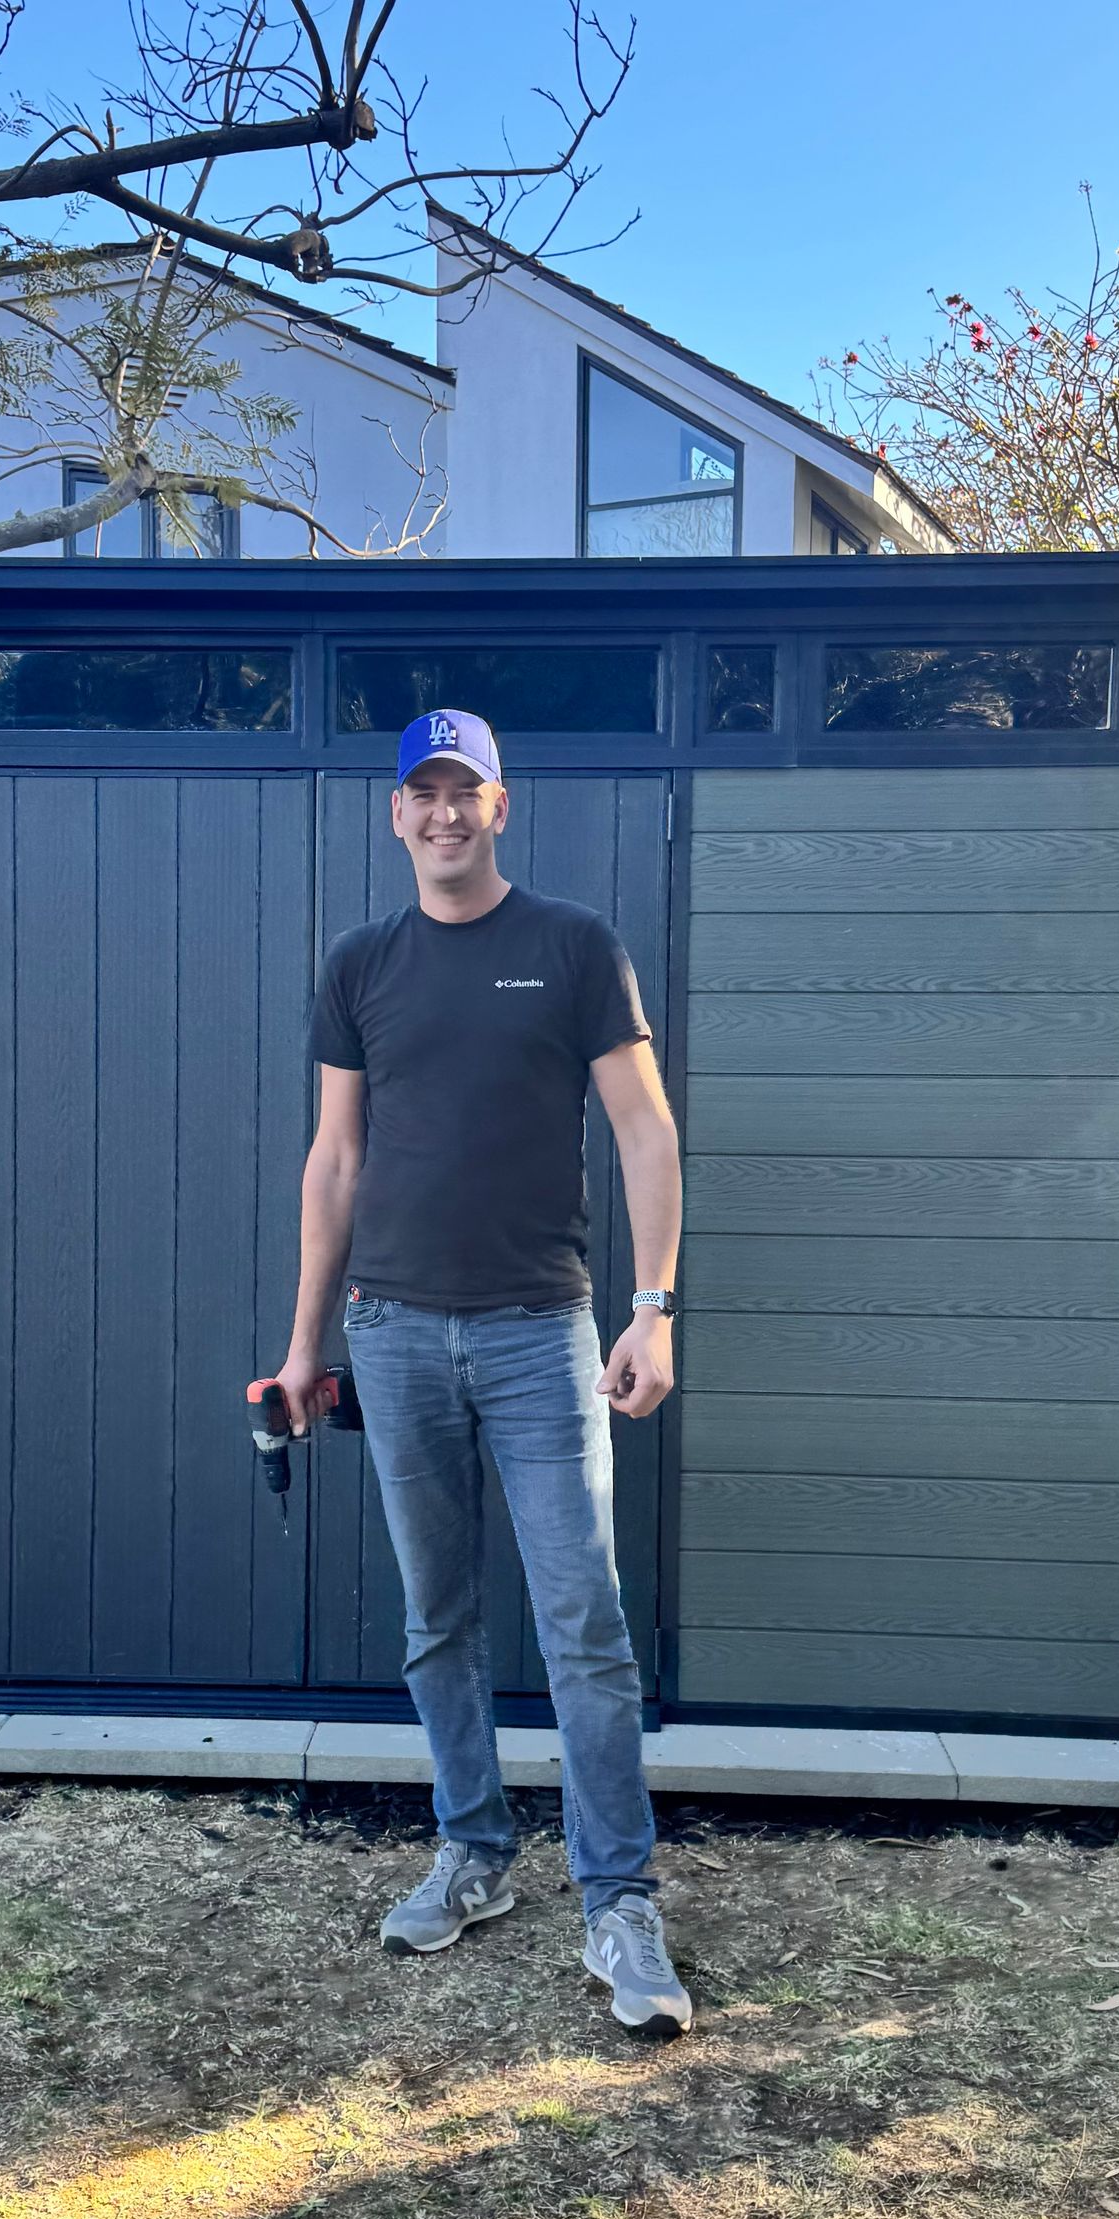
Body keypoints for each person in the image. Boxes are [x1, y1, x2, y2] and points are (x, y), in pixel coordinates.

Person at [269, 707, 691, 2037]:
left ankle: (618, 1901)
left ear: (501, 807)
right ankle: (473, 1852)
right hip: (392, 1336)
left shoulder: (572, 949)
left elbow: (646, 1132)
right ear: (396, 815)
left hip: (539, 1334)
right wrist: (302, 1347)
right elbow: (334, 1163)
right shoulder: (361, 965)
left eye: (468, 791)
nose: (445, 813)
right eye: (424, 793)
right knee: (438, 1619)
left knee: (583, 1622)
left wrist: (654, 1307)